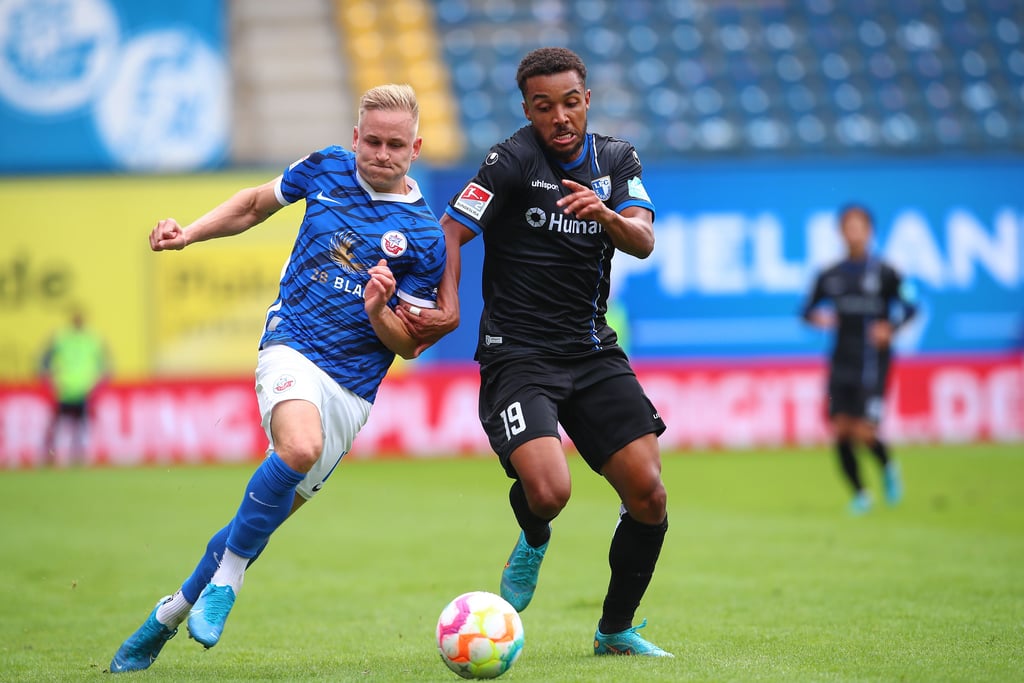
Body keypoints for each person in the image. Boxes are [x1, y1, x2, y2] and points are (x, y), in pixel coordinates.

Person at [109, 84, 445, 673]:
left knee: (255, 521)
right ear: (355, 138)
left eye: (396, 145)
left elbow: (411, 346)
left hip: (352, 390)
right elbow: (253, 206)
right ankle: (230, 582)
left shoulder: (423, 237)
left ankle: (167, 614)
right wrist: (188, 232)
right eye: (372, 141)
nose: (382, 154)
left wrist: (377, 312)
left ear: (415, 148)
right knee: (298, 446)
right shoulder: (326, 168)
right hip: (291, 344)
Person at [400, 47, 672, 657]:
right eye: (544, 106)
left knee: (649, 494)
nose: (560, 117)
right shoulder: (511, 159)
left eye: (570, 103)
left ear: (587, 101)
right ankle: (533, 534)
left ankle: (615, 630)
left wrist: (604, 213)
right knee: (550, 491)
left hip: (591, 349)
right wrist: (448, 305)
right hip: (518, 353)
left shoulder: (618, 159)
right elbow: (452, 228)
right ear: (528, 109)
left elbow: (644, 240)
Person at [801, 204, 917, 515]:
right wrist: (818, 318)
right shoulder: (830, 274)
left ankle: (888, 466)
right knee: (840, 429)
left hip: (872, 360)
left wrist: (890, 327)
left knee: (864, 431)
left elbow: (911, 305)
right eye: (848, 227)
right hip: (841, 358)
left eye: (859, 227)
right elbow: (806, 309)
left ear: (869, 232)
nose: (853, 233)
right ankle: (861, 494)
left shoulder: (885, 272)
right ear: (841, 232)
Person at [39, 309, 109, 465]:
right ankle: (54, 457)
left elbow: (105, 364)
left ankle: (79, 457)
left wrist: (99, 385)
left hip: (85, 391)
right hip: (63, 390)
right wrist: (49, 380)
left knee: (82, 427)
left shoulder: (93, 339)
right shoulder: (61, 337)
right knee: (60, 426)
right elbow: (44, 360)